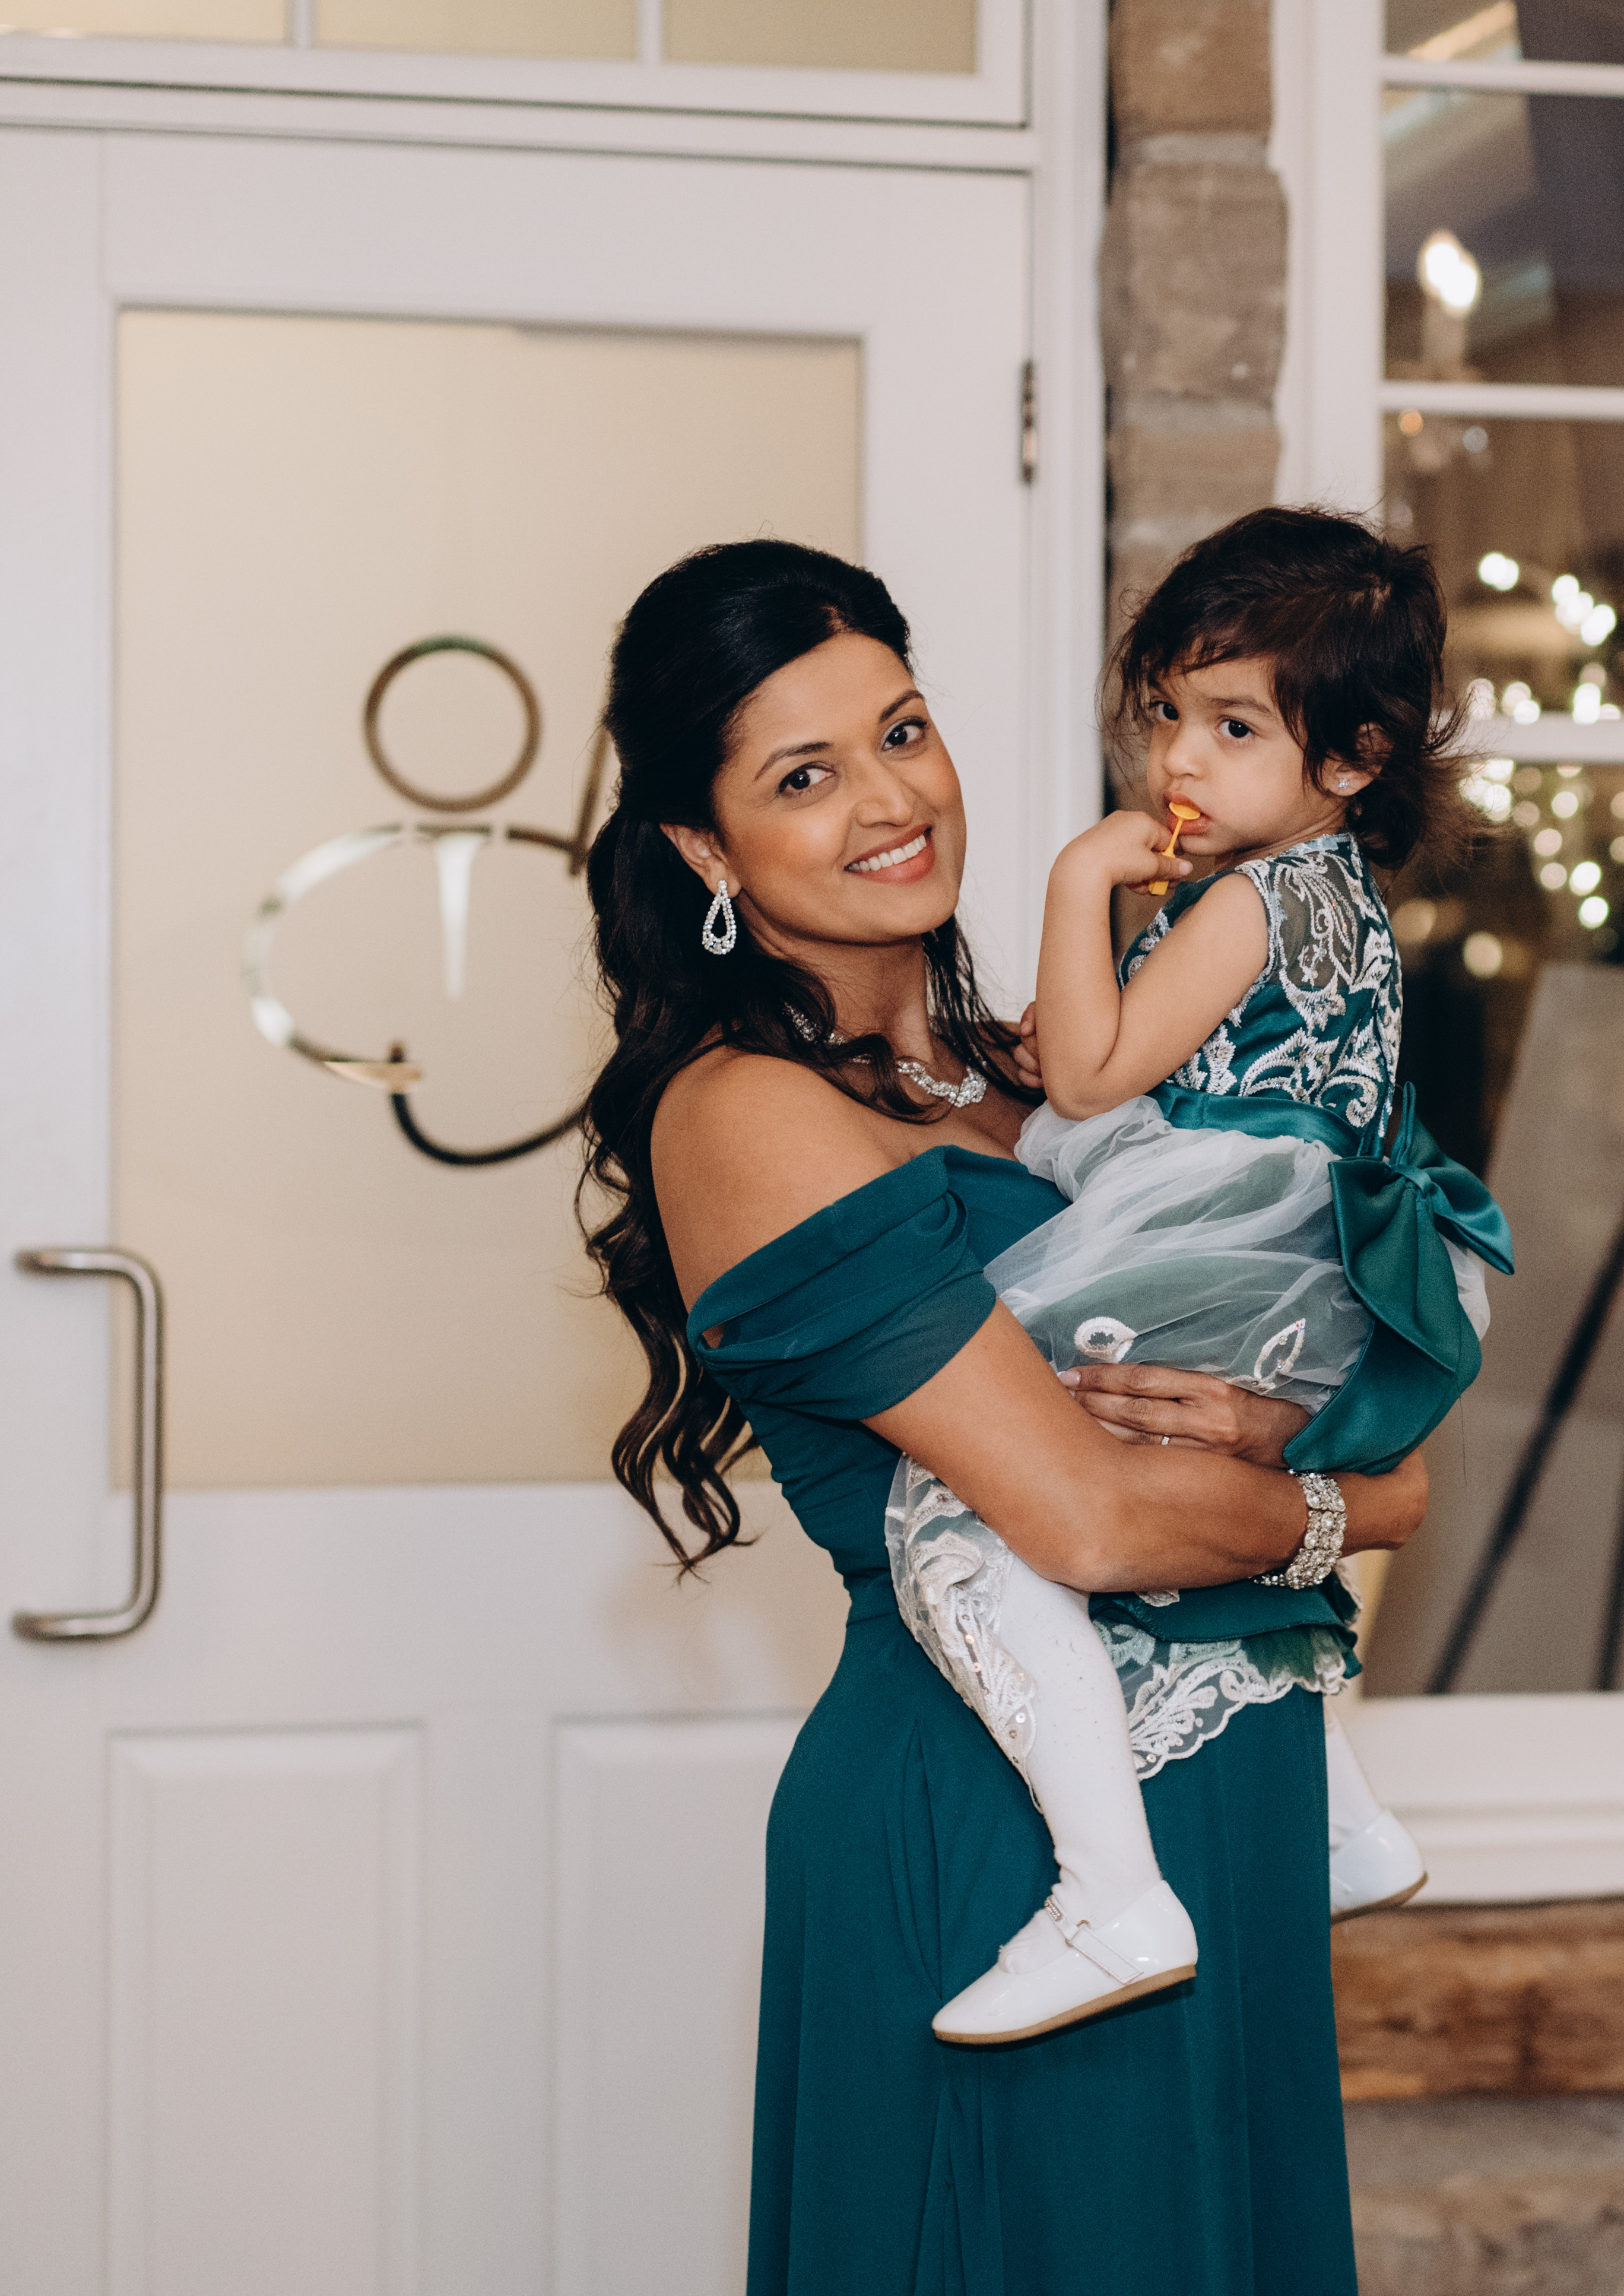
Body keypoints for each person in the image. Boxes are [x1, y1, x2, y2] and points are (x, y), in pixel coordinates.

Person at [579, 535, 1416, 2296]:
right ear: (704, 849)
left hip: (1231, 1805)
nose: (892, 799)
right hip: (1002, 1835)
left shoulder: (1037, 1073)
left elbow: (1355, 1343)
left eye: (903, 730)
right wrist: (1355, 1512)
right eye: (802, 776)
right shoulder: (746, 1114)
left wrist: (1305, 1448)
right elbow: (1091, 1519)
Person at [883, 508, 1514, 2047]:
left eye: (1234, 727)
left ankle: (1108, 1890)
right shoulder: (1334, 896)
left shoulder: (1244, 901)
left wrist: (1077, 878)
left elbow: (1091, 1079)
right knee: (1189, 1511)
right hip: (1312, 1259)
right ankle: (1346, 1819)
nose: (1179, 760)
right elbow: (1136, 1063)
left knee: (964, 1508)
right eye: (1168, 712)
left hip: (1228, 1238)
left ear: (1353, 757)